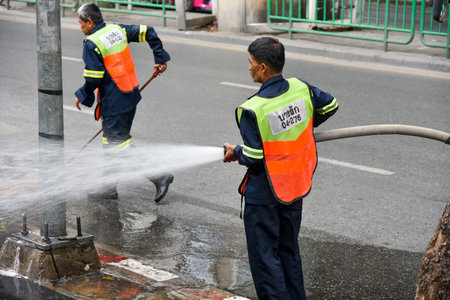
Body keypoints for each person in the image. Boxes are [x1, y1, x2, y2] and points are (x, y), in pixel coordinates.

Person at [223, 37, 339, 299]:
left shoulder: (252, 109)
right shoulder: (300, 88)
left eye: (250, 63)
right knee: (288, 252)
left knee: (266, 260)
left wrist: (235, 152)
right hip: (294, 186)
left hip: (264, 195)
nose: (248, 67)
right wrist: (306, 124)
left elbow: (253, 156)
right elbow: (331, 104)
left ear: (263, 67)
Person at [75, 2, 173, 202]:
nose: (80, 28)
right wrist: (160, 57)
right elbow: (149, 31)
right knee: (111, 144)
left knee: (119, 146)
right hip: (130, 95)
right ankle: (109, 187)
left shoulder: (92, 42)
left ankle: (159, 176)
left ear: (90, 22)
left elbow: (93, 76)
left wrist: (82, 94)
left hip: (114, 103)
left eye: (81, 23)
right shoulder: (117, 29)